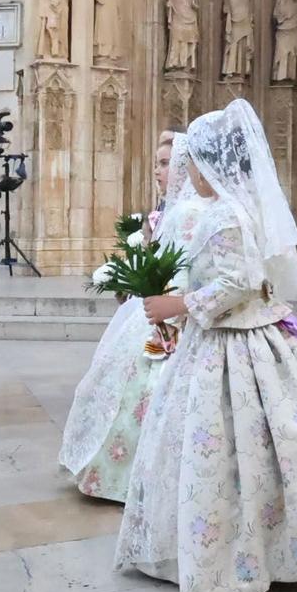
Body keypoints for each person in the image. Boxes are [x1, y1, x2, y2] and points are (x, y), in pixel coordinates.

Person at [113, 99, 297, 592]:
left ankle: (262, 548)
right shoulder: (225, 209)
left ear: (211, 162)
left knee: (252, 442)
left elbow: (240, 280)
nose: (185, 172)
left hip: (237, 339)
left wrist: (182, 303)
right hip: (215, 337)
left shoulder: (229, 214)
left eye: (190, 162)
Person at [59, 133, 207, 500]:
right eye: (157, 162)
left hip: (175, 315)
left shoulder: (190, 213)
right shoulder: (172, 209)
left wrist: (167, 318)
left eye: (164, 163)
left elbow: (183, 275)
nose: (157, 171)